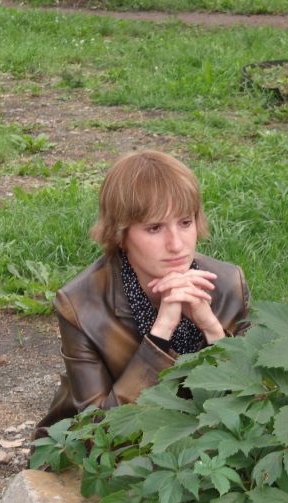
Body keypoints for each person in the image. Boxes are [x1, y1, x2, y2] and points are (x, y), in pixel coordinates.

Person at [33, 150, 250, 435]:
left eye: (185, 223)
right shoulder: (80, 305)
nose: (176, 244)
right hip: (111, 451)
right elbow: (97, 433)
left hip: (199, 444)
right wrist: (160, 334)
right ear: (120, 234)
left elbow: (254, 403)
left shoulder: (229, 284)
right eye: (154, 228)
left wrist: (212, 329)